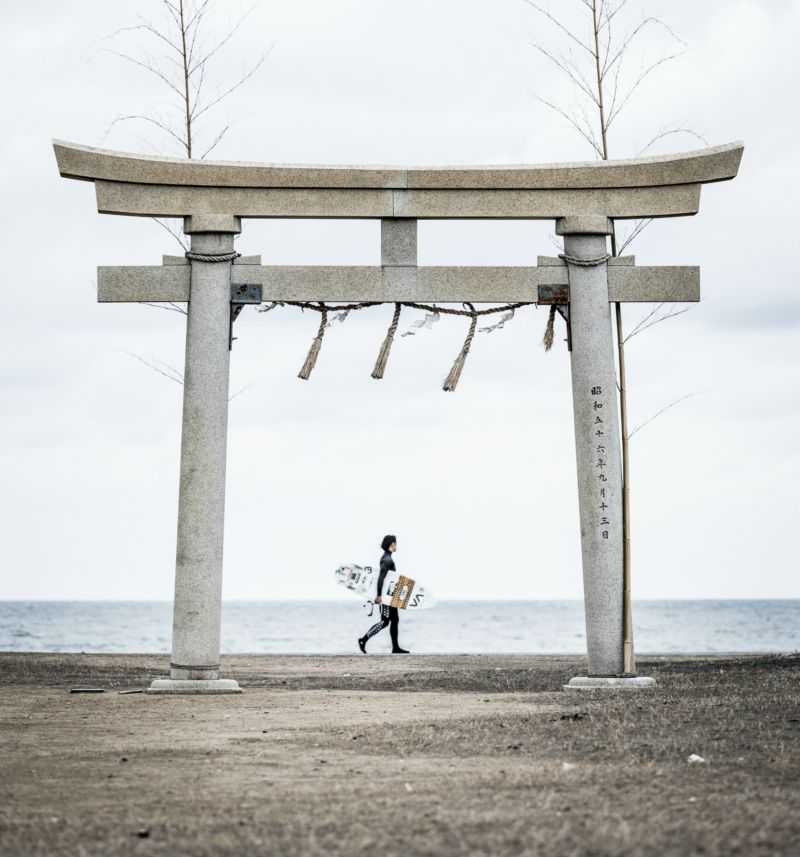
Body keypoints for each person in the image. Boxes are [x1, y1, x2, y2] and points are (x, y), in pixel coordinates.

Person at [357, 535, 409, 654]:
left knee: (395, 620)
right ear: (391, 544)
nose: (396, 546)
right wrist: (379, 595)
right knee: (385, 621)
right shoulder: (387, 560)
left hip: (390, 596)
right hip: (385, 597)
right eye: (395, 543)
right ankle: (363, 640)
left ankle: (395, 647)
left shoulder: (388, 559)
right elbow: (381, 578)